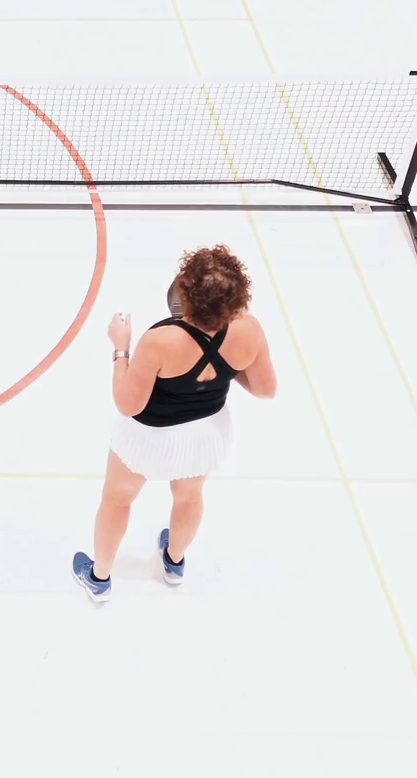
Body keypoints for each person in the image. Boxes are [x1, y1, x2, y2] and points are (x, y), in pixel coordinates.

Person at [73, 246, 277, 601]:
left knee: (118, 499)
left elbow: (127, 404)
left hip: (148, 436)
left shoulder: (160, 340)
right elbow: (265, 389)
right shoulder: (250, 331)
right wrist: (227, 366)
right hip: (203, 433)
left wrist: (121, 347)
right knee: (189, 497)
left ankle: (99, 577)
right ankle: (174, 561)